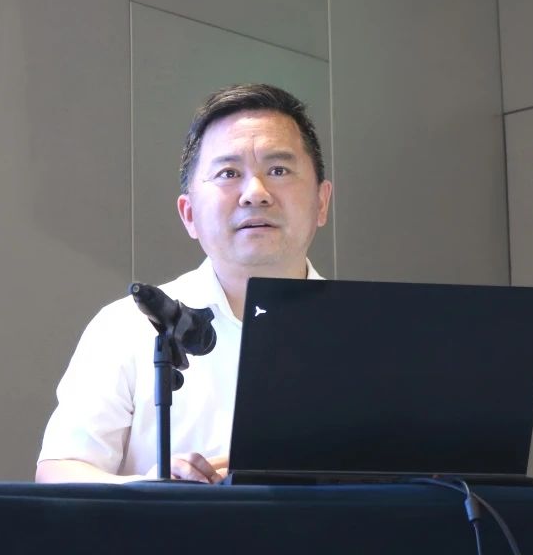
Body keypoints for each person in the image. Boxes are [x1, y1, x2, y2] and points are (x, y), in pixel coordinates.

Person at [35, 83, 333, 484]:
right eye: (228, 173)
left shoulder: (369, 334)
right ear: (189, 214)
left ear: (321, 202)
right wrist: (153, 490)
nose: (256, 193)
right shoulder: (127, 327)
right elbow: (59, 471)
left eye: (278, 170)